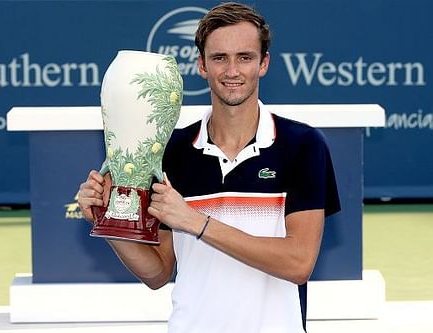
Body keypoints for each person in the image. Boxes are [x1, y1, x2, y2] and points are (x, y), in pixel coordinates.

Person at [78, 2, 340, 332]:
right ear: (202, 66)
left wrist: (196, 222)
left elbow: (299, 262)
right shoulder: (171, 152)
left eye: (245, 57)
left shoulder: (303, 145)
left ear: (264, 64)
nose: (232, 71)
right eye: (220, 58)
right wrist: (108, 220)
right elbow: (158, 273)